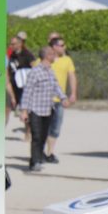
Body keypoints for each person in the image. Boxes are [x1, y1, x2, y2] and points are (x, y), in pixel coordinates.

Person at [18, 41, 64, 172]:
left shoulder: (50, 71)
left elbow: (56, 87)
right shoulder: (35, 72)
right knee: (37, 136)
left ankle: (39, 157)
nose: (54, 55)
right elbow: (27, 92)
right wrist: (24, 111)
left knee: (43, 136)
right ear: (46, 56)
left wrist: (63, 98)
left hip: (48, 109)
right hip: (36, 109)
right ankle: (34, 162)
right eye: (52, 54)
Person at [44, 32, 77, 164]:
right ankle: (39, 152)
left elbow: (72, 76)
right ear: (54, 47)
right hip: (45, 99)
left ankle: (50, 152)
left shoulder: (67, 60)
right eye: (61, 45)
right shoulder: (44, 59)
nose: (64, 47)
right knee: (43, 127)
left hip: (60, 100)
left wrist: (73, 93)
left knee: (56, 128)